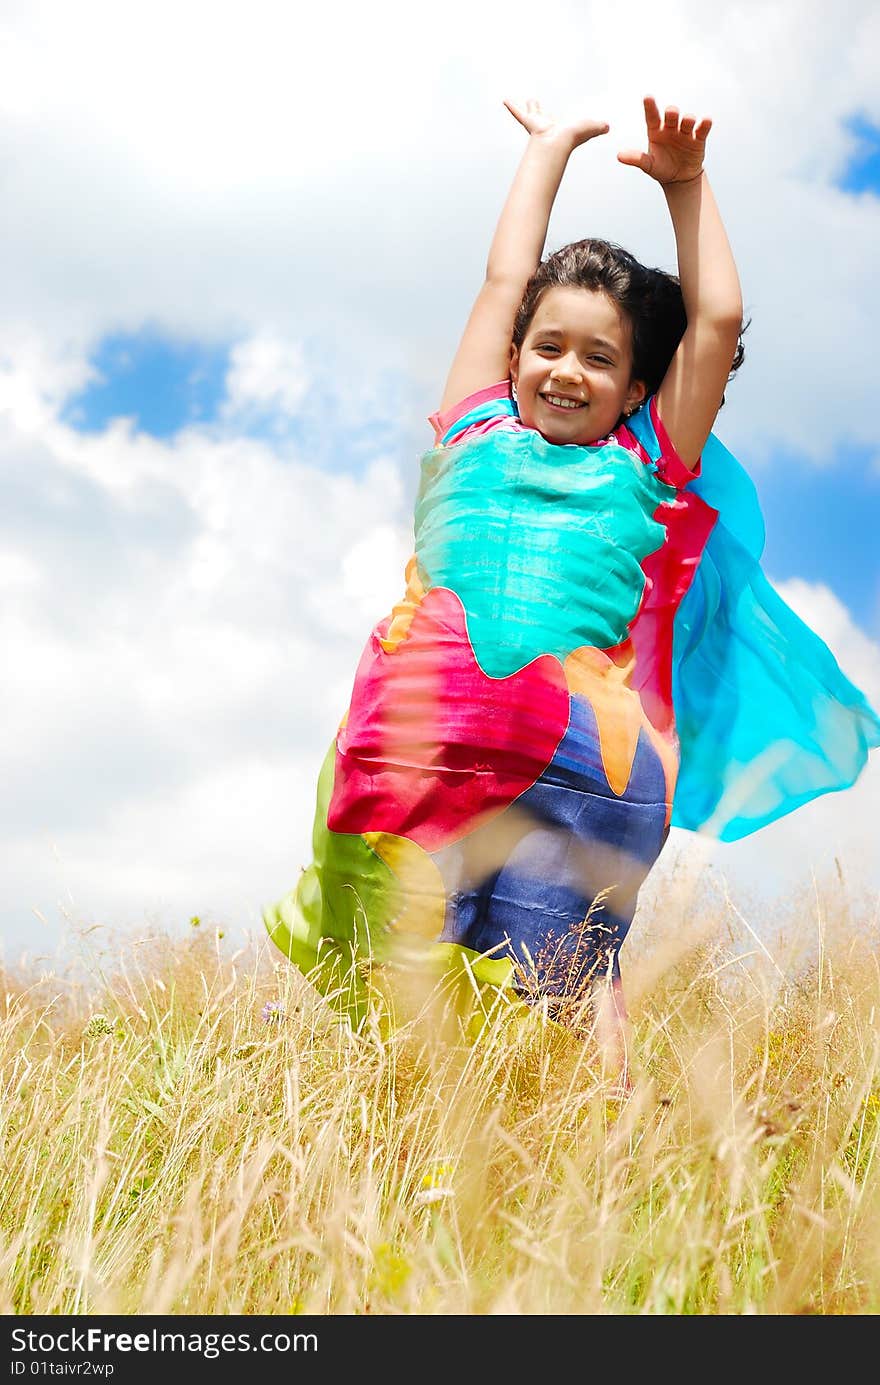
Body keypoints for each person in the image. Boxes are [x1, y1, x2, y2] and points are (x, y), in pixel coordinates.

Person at [263, 95, 880, 1083]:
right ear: (511, 357)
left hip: (571, 776)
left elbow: (714, 317)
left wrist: (685, 185)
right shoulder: (471, 425)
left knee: (570, 985)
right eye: (549, 346)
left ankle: (599, 1153)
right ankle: (399, 1144)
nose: (566, 369)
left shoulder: (642, 464)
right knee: (393, 983)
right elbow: (507, 275)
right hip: (409, 748)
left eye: (600, 358)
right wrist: (545, 152)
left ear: (637, 390)